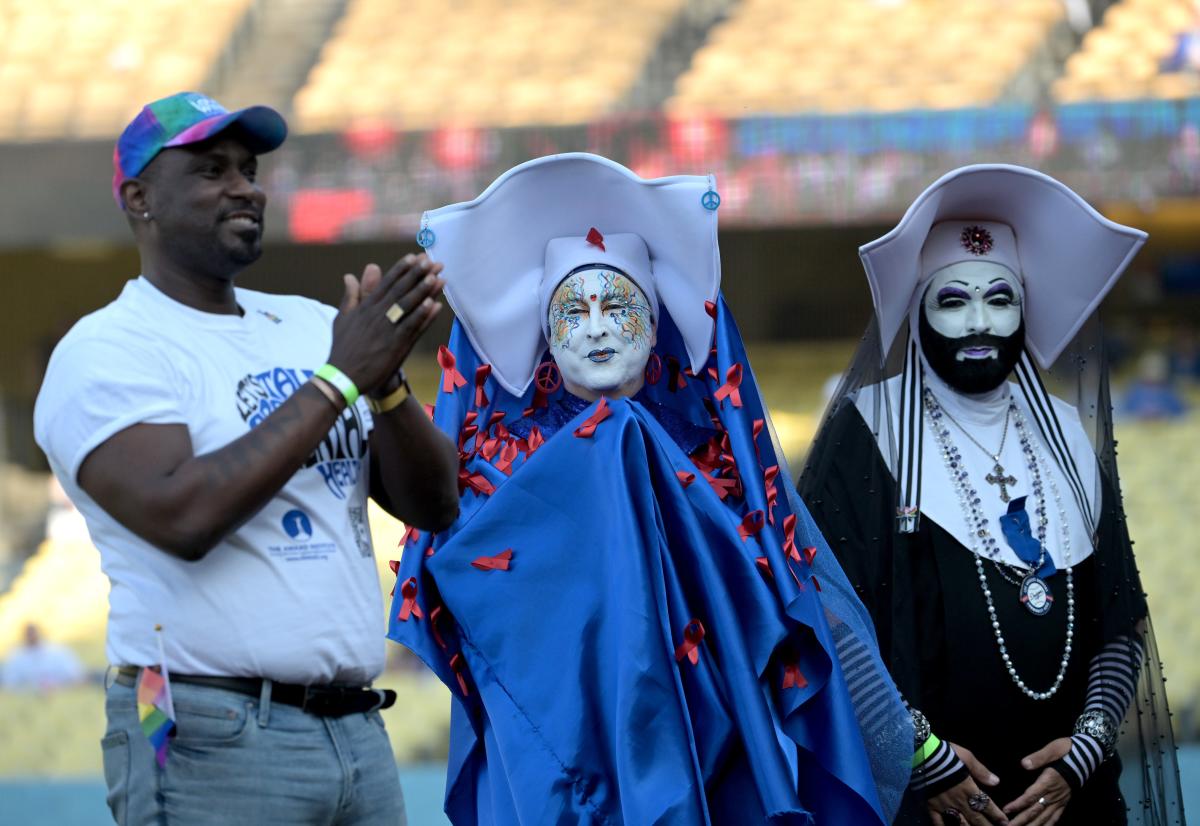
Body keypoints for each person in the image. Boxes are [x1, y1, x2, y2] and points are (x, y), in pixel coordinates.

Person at [386, 153, 913, 824]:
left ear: (657, 318)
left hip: (712, 769)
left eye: (620, 305)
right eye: (573, 310)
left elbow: (800, 612)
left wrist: (911, 743)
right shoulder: (494, 480)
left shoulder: (719, 468)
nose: (598, 327)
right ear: (546, 333)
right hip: (556, 781)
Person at [33, 91, 460, 825]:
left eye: (248, 168)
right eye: (209, 170)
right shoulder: (107, 348)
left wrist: (386, 384)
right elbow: (184, 515)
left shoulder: (310, 325)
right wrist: (338, 379)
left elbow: (435, 505)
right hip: (202, 725)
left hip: (355, 726)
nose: (244, 187)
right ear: (141, 199)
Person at [797, 165, 1183, 826]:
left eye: (1000, 299)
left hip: (1069, 804)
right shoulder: (869, 430)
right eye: (953, 301)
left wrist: (1085, 751)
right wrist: (919, 754)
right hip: (926, 805)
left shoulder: (1064, 435)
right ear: (918, 309)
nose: (980, 321)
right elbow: (827, 618)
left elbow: (1119, 620)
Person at [1, 622, 86, 692]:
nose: (32, 636)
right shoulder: (17, 656)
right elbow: (10, 683)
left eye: (33, 633)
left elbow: (74, 674)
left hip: (61, 688)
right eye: (29, 634)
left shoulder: (56, 651)